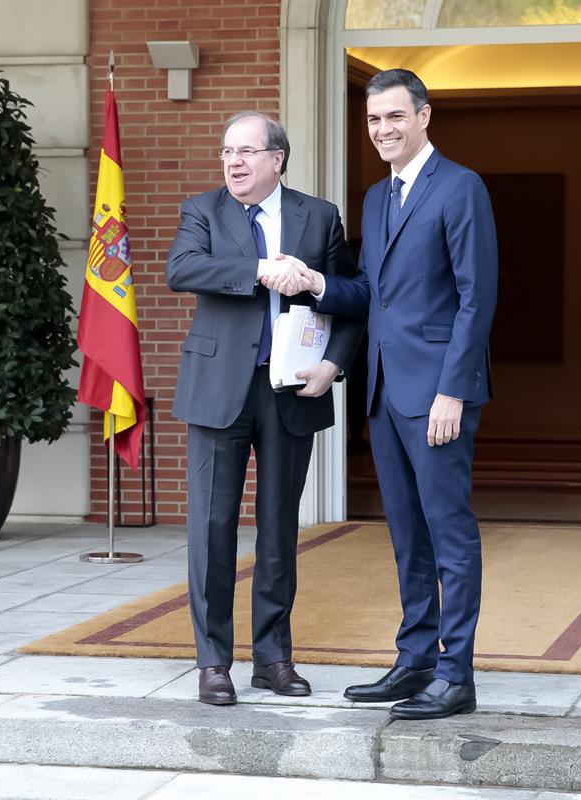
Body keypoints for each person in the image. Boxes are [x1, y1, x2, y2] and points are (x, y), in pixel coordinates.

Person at [265, 69, 497, 719]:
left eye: (395, 117)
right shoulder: (374, 198)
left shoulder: (461, 188)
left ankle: (457, 675)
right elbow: (368, 297)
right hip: (385, 396)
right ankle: (416, 659)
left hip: (437, 394)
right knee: (407, 536)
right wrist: (314, 284)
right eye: (373, 121)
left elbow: (477, 298)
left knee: (449, 532)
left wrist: (454, 391)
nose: (383, 130)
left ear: (425, 116)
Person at [166, 111, 363, 706]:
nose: (234, 162)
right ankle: (214, 661)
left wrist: (334, 365)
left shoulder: (318, 216)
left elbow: (353, 298)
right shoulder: (203, 210)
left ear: (278, 158)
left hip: (290, 390)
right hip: (218, 387)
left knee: (278, 528)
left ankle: (274, 658)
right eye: (227, 151)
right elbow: (182, 269)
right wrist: (260, 270)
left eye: (247, 151)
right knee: (212, 526)